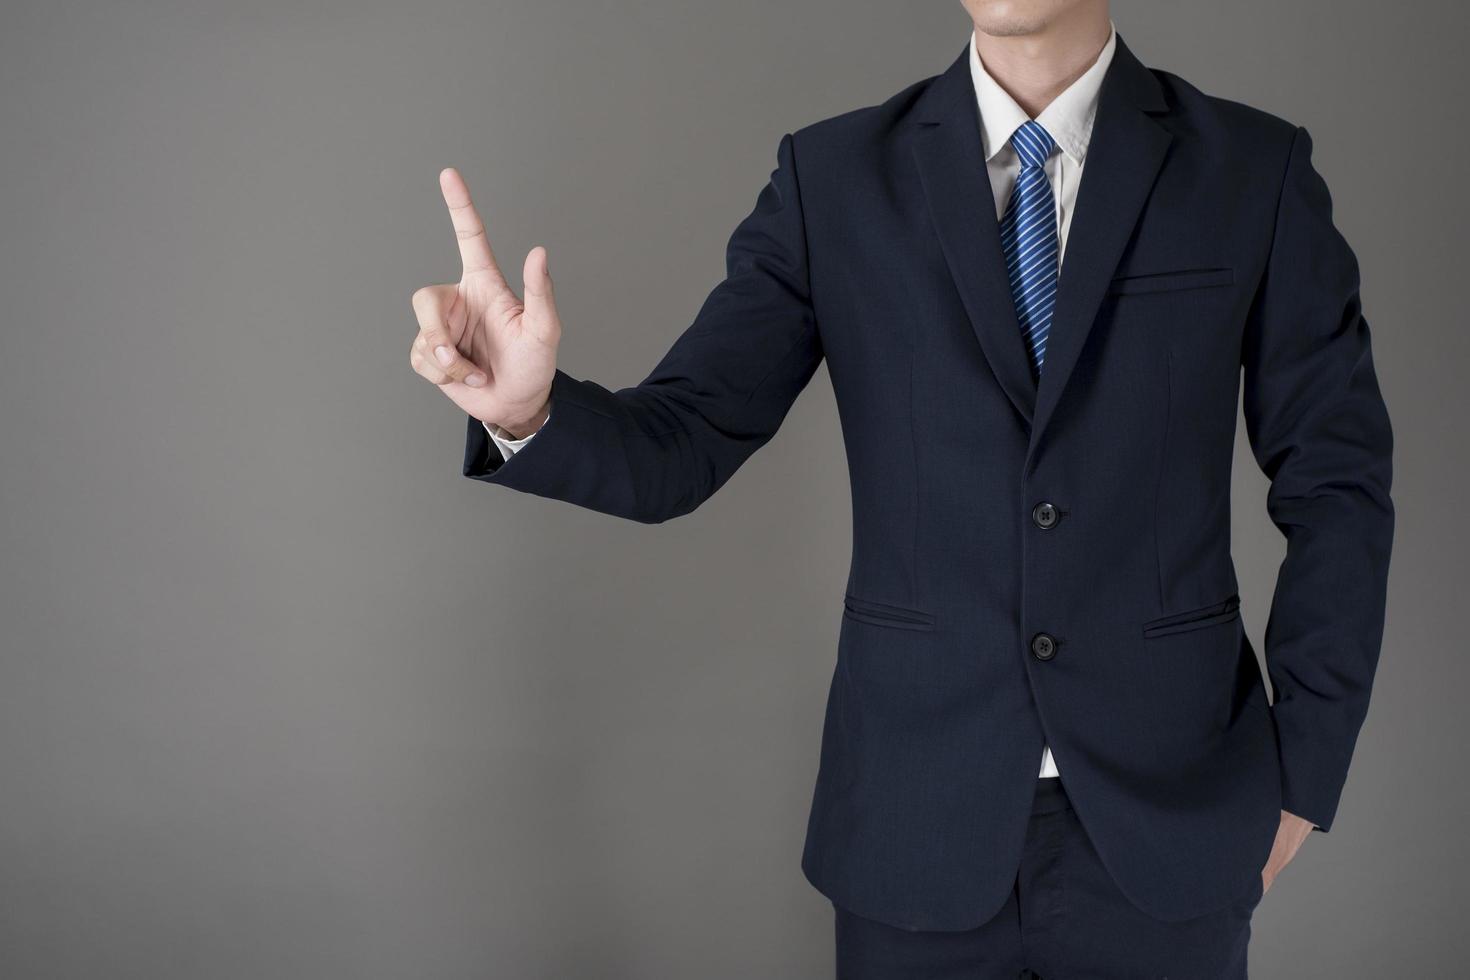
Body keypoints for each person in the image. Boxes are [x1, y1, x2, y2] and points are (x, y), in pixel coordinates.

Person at [408, 1, 1394, 975]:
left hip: (1174, 823)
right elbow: (683, 441)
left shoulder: (1250, 171)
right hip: (914, 829)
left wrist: (1304, 773)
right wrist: (528, 412)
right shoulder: (831, 180)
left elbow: (1338, 480)